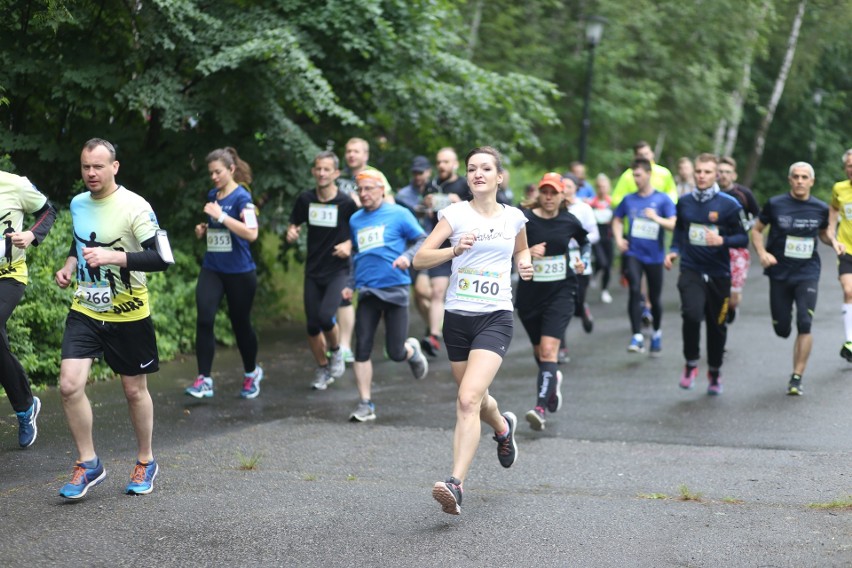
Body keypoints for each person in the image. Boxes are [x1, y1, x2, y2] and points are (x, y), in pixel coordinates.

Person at [413, 146, 533, 516]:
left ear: (499, 177)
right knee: (476, 398)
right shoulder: (454, 214)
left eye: (486, 168)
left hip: (495, 316)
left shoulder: (514, 218)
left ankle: (455, 483)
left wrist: (525, 266)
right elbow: (420, 258)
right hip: (457, 319)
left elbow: (521, 252)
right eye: (472, 169)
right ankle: (502, 426)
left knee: (466, 400)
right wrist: (453, 251)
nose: (478, 173)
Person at [54, 138, 172, 498]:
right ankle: (89, 463)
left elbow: (162, 259)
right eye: (86, 166)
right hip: (86, 308)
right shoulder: (77, 203)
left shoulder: (135, 207)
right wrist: (70, 264)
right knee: (69, 385)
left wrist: (114, 258)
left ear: (114, 167)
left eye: (98, 166)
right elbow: (80, 242)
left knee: (134, 391)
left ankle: (145, 460)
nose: (91, 173)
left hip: (129, 312)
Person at [344, 170, 429, 422]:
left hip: (395, 289)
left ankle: (410, 351)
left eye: (369, 189)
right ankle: (365, 403)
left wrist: (407, 257)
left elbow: (422, 239)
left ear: (382, 189)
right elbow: (355, 254)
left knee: (394, 352)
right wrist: (350, 283)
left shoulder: (399, 214)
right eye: (360, 190)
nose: (364, 194)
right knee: (362, 347)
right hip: (367, 290)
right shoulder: (355, 219)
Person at [664, 153, 747, 395]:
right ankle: (691, 363)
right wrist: (673, 251)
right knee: (691, 314)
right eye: (698, 171)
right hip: (691, 269)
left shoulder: (729, 205)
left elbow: (743, 238)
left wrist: (723, 240)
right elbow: (680, 231)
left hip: (719, 273)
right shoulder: (685, 202)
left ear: (716, 175)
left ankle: (714, 371)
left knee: (717, 324)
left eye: (707, 172)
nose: (701, 176)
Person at [185, 147, 263, 399]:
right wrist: (204, 228)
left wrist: (222, 216)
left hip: (240, 271)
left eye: (218, 172)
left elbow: (252, 233)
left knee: (240, 325)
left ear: (231, 170)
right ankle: (204, 379)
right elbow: (217, 226)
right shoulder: (213, 195)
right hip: (213, 268)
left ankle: (252, 372)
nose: (214, 177)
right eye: (211, 173)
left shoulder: (243, 198)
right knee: (205, 318)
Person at [751, 162, 833, 395]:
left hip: (807, 272)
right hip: (779, 273)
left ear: (811, 182)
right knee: (783, 329)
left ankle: (797, 376)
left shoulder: (819, 208)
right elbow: (756, 230)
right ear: (790, 180)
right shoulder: (775, 204)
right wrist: (762, 253)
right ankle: (782, 325)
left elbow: (824, 233)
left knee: (805, 323)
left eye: (804, 177)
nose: (799, 181)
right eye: (795, 176)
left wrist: (834, 242)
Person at [517, 173, 589, 431]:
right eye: (545, 192)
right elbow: (506, 246)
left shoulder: (570, 221)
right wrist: (525, 251)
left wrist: (583, 261)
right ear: (539, 193)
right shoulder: (523, 218)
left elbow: (585, 243)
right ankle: (552, 378)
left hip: (561, 292)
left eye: (554, 193)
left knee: (549, 351)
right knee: (540, 353)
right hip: (529, 295)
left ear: (562, 196)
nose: (549, 197)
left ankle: (539, 407)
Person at [285, 151, 358, 390]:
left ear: (336, 173)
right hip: (313, 270)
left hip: (338, 270)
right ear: (313, 172)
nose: (322, 173)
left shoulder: (346, 203)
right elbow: (294, 224)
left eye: (327, 169)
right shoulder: (306, 199)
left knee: (326, 317)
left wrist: (349, 244)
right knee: (312, 325)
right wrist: (292, 232)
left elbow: (358, 233)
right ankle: (322, 368)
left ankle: (336, 351)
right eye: (318, 169)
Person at [0, 170, 57, 448]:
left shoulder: (16, 185)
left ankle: (23, 408)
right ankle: (26, 406)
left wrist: (32, 235)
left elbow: (49, 211)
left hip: (9, 276)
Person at [335, 137, 394, 363]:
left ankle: (394, 342)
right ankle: (345, 346)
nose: (351, 155)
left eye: (356, 151)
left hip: (369, 240)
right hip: (341, 240)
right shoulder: (339, 177)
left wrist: (362, 201)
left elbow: (390, 205)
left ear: (366, 155)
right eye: (348, 151)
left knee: (379, 292)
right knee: (345, 294)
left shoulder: (375, 176)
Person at [612, 159, 676, 354]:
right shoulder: (629, 199)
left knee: (655, 298)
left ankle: (656, 332)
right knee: (634, 289)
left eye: (638, 175)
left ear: (649, 174)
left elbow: (674, 224)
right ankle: (637, 336)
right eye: (633, 174)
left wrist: (656, 218)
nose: (635, 178)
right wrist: (618, 239)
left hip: (655, 256)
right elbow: (616, 219)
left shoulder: (663, 199)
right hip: (634, 253)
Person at [416, 147, 472, 357]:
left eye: (446, 162)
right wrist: (426, 204)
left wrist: (459, 203)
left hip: (464, 245)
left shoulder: (464, 185)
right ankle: (433, 334)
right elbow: (422, 212)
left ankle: (449, 327)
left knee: (457, 293)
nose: (442, 166)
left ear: (455, 164)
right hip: (440, 244)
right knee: (435, 291)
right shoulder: (431, 186)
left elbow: (477, 208)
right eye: (439, 162)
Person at [396, 155, 441, 344]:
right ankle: (434, 325)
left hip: (432, 246)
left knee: (423, 291)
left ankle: (436, 323)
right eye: (415, 172)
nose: (417, 176)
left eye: (421, 172)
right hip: (409, 247)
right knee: (419, 297)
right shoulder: (403, 195)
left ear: (428, 172)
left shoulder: (438, 191)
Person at [717, 156, 760, 324]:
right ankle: (719, 326)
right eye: (720, 172)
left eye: (727, 172)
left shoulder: (743, 193)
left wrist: (747, 227)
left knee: (733, 297)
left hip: (737, 248)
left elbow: (758, 215)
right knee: (718, 294)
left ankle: (732, 308)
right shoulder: (712, 194)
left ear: (734, 175)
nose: (723, 175)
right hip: (715, 247)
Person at [563, 173, 600, 334]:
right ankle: (560, 345)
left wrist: (577, 238)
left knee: (577, 299)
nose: (565, 190)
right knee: (561, 304)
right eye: (562, 186)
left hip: (579, 257)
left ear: (576, 189)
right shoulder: (554, 208)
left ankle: (582, 309)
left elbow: (595, 234)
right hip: (560, 259)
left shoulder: (583, 208)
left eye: (569, 186)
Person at [828, 148, 852, 362]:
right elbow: (834, 210)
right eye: (850, 166)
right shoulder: (839, 188)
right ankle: (850, 342)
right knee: (848, 290)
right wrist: (832, 235)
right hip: (847, 249)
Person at [611, 141, 678, 207]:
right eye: (641, 155)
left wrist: (662, 204)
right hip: (634, 215)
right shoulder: (627, 176)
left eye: (647, 154)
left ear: (652, 153)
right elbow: (615, 200)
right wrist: (634, 203)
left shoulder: (664, 173)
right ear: (635, 157)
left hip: (659, 215)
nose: (645, 157)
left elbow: (673, 194)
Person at [589, 173, 614, 303]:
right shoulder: (592, 203)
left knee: (608, 266)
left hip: (609, 238)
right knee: (602, 262)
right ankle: (594, 272)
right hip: (597, 238)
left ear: (608, 187)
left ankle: (604, 290)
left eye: (604, 186)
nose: (602, 189)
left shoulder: (612, 202)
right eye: (599, 187)